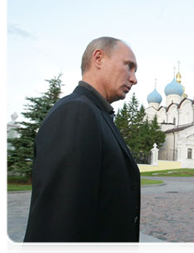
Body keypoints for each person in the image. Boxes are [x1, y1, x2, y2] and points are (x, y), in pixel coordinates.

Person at [20, 37, 141, 253]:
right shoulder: (77, 112)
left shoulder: (98, 114)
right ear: (99, 58)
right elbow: (58, 224)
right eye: (129, 66)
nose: (134, 79)